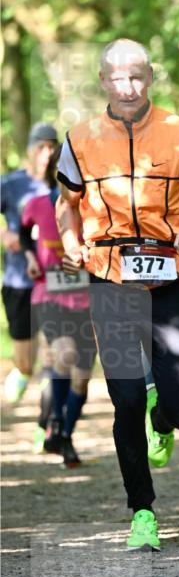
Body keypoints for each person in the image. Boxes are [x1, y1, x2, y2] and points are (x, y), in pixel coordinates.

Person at [55, 38, 179, 552]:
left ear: (151, 77)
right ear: (103, 81)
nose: (129, 87)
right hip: (109, 279)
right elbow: (66, 204)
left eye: (138, 77)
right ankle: (142, 512)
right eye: (118, 78)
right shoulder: (79, 139)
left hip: (167, 277)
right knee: (123, 399)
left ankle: (163, 415)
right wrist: (69, 243)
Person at [20, 145, 96, 467]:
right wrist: (27, 256)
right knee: (63, 355)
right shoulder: (38, 204)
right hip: (49, 294)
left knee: (82, 377)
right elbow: (23, 231)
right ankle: (53, 423)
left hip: (88, 298)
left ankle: (64, 433)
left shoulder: (97, 208)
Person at [1, 123, 57, 419]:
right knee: (27, 361)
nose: (46, 153)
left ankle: (49, 421)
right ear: (29, 149)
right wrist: (5, 235)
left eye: (52, 147)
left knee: (55, 356)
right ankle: (21, 374)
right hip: (19, 281)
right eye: (41, 147)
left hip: (57, 283)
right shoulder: (10, 184)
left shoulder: (63, 187)